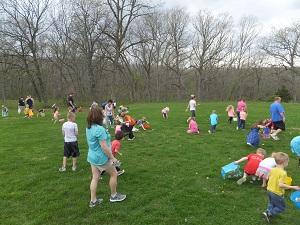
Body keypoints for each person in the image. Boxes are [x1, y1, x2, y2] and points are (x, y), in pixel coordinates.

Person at [86, 107, 126, 207]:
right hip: (101, 158)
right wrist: (112, 158)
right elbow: (104, 146)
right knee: (114, 174)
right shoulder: (100, 130)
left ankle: (93, 200)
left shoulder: (89, 127)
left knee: (95, 177)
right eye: (102, 114)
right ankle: (113, 196)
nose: (104, 115)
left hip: (92, 156)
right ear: (99, 117)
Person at [262, 152, 300, 223]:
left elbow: (270, 177)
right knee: (282, 208)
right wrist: (292, 187)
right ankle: (269, 213)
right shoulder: (283, 173)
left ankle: (267, 212)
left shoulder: (272, 169)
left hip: (269, 190)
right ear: (284, 163)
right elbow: (281, 185)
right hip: (276, 192)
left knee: (272, 203)